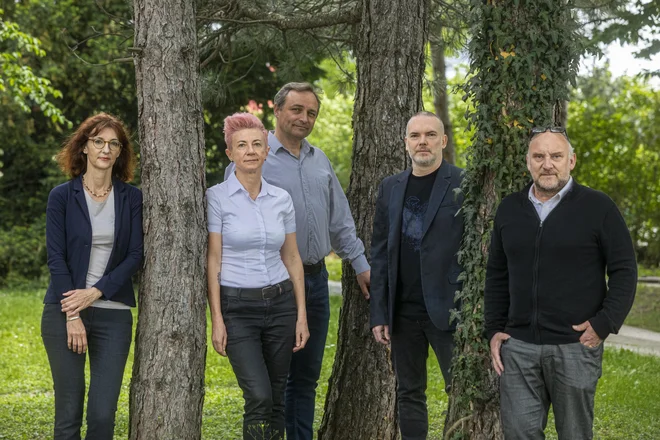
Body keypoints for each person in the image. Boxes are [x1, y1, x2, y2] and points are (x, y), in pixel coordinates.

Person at [224, 82, 370, 440]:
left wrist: (360, 263)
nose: (305, 118)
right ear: (276, 110)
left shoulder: (319, 159)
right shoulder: (254, 155)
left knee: (305, 378)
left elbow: (339, 219)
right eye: (297, 109)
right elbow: (231, 220)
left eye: (311, 113)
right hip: (272, 286)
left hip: (316, 282)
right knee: (275, 381)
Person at [485, 126, 637, 440]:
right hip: (519, 348)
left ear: (571, 161)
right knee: (519, 434)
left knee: (574, 435)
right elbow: (497, 273)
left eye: (556, 156)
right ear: (527, 162)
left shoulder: (599, 208)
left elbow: (625, 270)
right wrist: (494, 327)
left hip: (575, 348)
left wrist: (605, 322)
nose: (547, 164)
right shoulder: (509, 209)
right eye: (539, 156)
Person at [208, 112, 310, 440]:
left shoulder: (281, 199)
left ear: (267, 150)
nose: (250, 151)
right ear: (230, 154)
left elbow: (292, 257)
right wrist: (217, 319)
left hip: (281, 306)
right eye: (242, 145)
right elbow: (213, 260)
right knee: (259, 396)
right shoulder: (216, 198)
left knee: (278, 394)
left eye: (256, 144)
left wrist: (301, 317)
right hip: (237, 309)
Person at [42, 113, 143, 440]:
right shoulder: (61, 197)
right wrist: (73, 313)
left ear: (120, 152)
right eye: (98, 141)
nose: (106, 149)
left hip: (113, 316)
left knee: (102, 415)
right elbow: (56, 258)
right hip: (64, 314)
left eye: (114, 143)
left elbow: (135, 256)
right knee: (68, 414)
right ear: (84, 146)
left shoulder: (131, 198)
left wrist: (96, 291)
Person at [370, 112, 464, 439]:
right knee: (409, 393)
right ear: (406, 142)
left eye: (429, 135)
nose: (422, 141)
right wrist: (380, 312)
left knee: (462, 392)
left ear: (443, 141)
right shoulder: (390, 187)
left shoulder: (462, 183)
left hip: (449, 310)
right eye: (415, 136)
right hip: (403, 311)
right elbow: (380, 253)